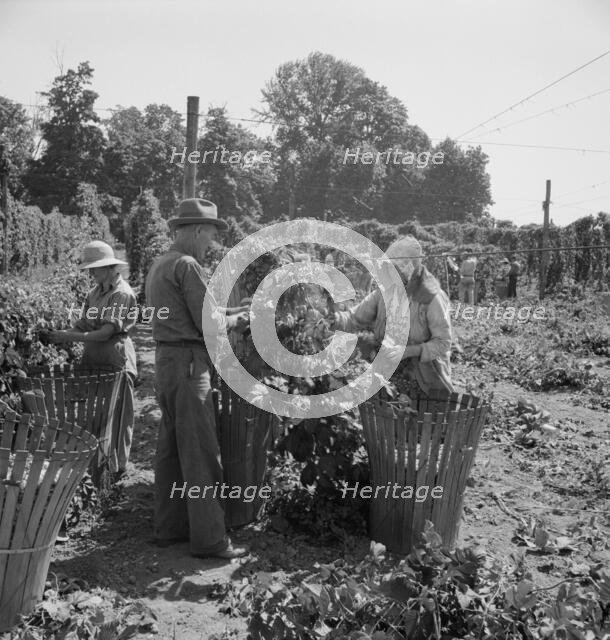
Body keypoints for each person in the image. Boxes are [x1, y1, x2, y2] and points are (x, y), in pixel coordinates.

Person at [145, 198, 250, 559]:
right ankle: (209, 541)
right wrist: (240, 321)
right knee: (202, 452)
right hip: (191, 365)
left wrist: (235, 309)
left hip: (166, 361)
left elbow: (194, 310)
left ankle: (169, 529)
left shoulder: (161, 264)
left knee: (171, 449)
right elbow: (209, 324)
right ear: (194, 231)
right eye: (209, 235)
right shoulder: (188, 265)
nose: (211, 245)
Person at [48, 240, 137, 475]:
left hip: (115, 358)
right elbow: (83, 324)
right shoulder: (94, 293)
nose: (91, 273)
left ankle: (118, 470)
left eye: (95, 268)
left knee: (118, 415)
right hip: (93, 358)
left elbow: (107, 333)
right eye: (90, 268)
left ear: (110, 268)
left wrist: (68, 337)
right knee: (96, 413)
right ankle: (97, 465)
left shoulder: (122, 293)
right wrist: (61, 334)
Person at [332, 235, 454, 396]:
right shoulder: (383, 294)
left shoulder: (431, 298)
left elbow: (443, 342)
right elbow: (354, 319)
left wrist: (410, 351)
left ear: (408, 269)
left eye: (394, 269)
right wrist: (331, 318)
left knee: (416, 414)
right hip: (387, 374)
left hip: (425, 378)